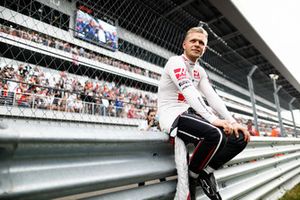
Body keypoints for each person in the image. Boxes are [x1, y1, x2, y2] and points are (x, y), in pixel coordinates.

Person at [158, 27, 250, 200]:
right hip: (171, 116)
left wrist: (231, 121)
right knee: (215, 134)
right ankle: (193, 177)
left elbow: (212, 97)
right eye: (193, 41)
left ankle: (204, 172)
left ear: (205, 48)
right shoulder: (175, 62)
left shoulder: (199, 71)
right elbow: (189, 91)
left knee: (239, 137)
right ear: (184, 44)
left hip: (189, 115)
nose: (197, 44)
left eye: (201, 43)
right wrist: (213, 119)